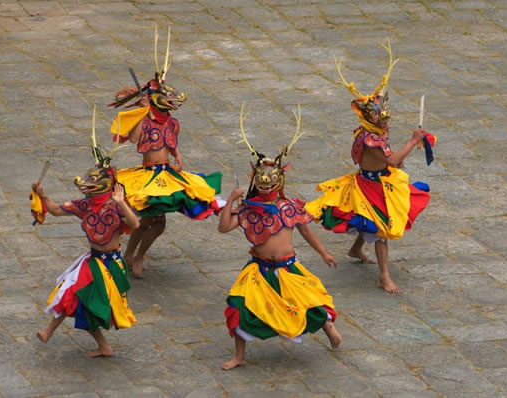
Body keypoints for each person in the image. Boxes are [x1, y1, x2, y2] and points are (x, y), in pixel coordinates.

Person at [219, 105, 341, 371]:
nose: (265, 184)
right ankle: (239, 356)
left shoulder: (290, 207)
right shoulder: (249, 209)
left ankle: (328, 326)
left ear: (279, 181)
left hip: (288, 267)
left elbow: (306, 230)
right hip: (258, 270)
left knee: (309, 302)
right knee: (238, 306)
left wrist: (323, 253)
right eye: (261, 180)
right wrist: (230, 200)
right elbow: (224, 227)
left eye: (270, 180)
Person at [305, 41, 431, 294]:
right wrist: (413, 141)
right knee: (381, 228)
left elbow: (391, 159)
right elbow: (393, 160)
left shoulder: (372, 132)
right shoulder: (369, 138)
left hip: (379, 180)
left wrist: (399, 154)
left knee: (371, 222)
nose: (383, 118)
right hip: (369, 186)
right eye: (378, 115)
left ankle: (355, 249)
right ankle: (384, 277)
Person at [108, 26, 222, 278]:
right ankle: (132, 255)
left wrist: (178, 157)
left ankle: (134, 254)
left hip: (167, 174)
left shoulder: (171, 122)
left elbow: (171, 143)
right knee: (151, 221)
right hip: (149, 176)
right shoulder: (145, 120)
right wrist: (140, 111)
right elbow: (135, 139)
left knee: (154, 222)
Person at [31, 109, 139, 357]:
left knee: (78, 298)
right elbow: (57, 210)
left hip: (109, 264)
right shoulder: (84, 205)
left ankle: (93, 343)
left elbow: (134, 224)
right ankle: (67, 336)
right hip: (92, 262)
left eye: (93, 180)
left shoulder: (114, 207)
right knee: (72, 295)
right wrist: (43, 195)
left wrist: (122, 203)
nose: (86, 183)